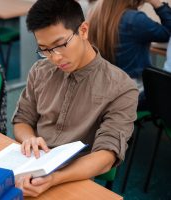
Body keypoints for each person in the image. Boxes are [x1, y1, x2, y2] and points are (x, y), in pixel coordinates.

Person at [12, 0, 139, 197]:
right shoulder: (40, 70)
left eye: (60, 45)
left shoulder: (121, 88)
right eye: (44, 49)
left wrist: (54, 178)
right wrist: (29, 139)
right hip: (29, 167)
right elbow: (22, 119)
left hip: (73, 178)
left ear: (84, 30)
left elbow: (107, 155)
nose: (55, 57)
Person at [88, 0, 171, 95]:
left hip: (103, 88)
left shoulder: (95, 13)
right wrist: (157, 4)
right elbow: (168, 32)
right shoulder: (134, 19)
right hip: (132, 90)